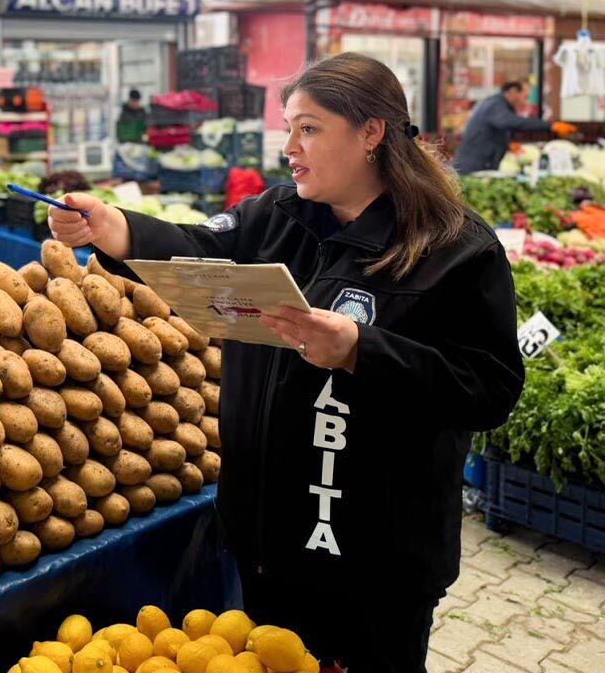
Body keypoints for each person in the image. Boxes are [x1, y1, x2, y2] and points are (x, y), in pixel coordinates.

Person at [48, 52, 525, 672]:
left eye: (308, 128)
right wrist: (118, 231)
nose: (289, 148)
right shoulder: (274, 217)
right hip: (269, 544)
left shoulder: (456, 251)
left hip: (375, 561)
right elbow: (197, 250)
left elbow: (489, 389)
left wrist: (361, 351)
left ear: (371, 133)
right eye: (288, 129)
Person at [452, 80, 574, 175]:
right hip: (473, 166)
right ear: (513, 93)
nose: (526, 102)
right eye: (525, 97)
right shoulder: (495, 104)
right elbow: (511, 122)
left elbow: (492, 129)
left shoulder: (497, 104)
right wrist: (551, 126)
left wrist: (507, 145)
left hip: (480, 163)